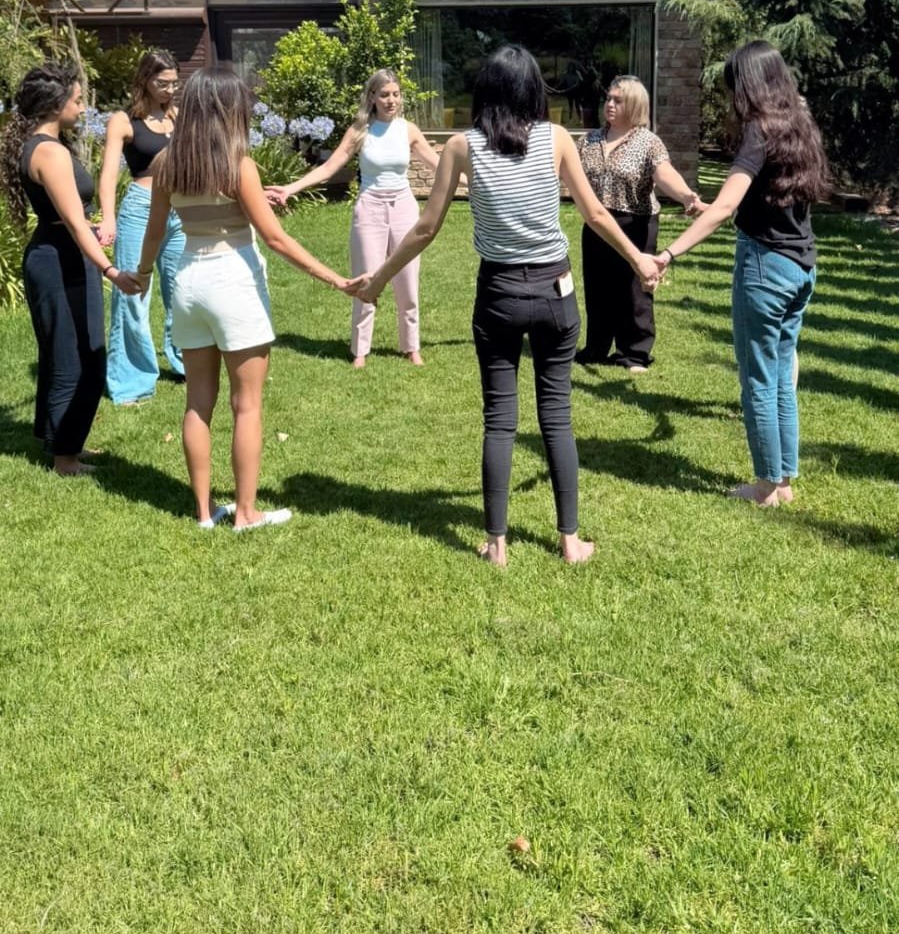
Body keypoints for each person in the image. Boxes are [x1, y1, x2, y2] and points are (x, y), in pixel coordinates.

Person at [357, 46, 660, 566]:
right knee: (556, 418)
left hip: (498, 295)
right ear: (533, 90)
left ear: (486, 91)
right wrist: (639, 259)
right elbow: (593, 212)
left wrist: (378, 280)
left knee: (499, 420)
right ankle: (570, 542)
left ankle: (496, 544)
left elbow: (426, 228)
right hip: (555, 292)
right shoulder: (556, 138)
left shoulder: (461, 146)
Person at [137, 68, 362, 530]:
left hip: (188, 282)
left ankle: (204, 513)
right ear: (227, 109)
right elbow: (275, 239)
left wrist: (140, 275)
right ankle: (245, 512)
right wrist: (336, 280)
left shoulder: (166, 163)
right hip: (233, 283)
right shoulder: (238, 164)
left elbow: (155, 232)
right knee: (247, 405)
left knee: (198, 403)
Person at [651, 41, 829, 507]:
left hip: (765, 268)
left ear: (749, 84)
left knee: (759, 379)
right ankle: (783, 480)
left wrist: (668, 253)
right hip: (801, 267)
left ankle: (765, 486)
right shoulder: (800, 122)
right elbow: (766, 197)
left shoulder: (758, 129)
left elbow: (727, 205)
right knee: (781, 376)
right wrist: (718, 208)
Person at [0, 63, 143, 476]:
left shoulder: (41, 144)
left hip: (59, 253)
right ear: (54, 104)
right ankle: (66, 459)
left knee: (65, 354)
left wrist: (92, 236)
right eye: (77, 101)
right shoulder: (49, 152)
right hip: (60, 261)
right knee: (80, 359)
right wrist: (112, 271)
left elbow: (69, 220)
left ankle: (61, 441)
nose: (82, 108)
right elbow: (76, 223)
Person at [266, 69, 442, 368]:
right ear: (372, 97)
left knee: (408, 280)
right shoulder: (361, 130)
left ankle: (411, 347)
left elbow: (439, 164)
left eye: (396, 94)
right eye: (384, 95)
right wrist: (290, 188)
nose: (391, 100)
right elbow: (328, 168)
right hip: (369, 209)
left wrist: (474, 181)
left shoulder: (408, 130)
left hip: (404, 208)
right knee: (365, 278)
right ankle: (360, 350)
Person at [576, 75, 703, 371]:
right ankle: (596, 347)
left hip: (636, 221)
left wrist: (686, 196)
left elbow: (664, 174)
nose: (610, 104)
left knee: (635, 288)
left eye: (618, 100)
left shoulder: (648, 142)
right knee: (597, 286)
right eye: (608, 98)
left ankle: (635, 352)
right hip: (597, 222)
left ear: (635, 105)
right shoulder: (588, 141)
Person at [97, 51, 185, 403]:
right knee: (134, 292)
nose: (170, 90)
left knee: (182, 289)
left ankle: (185, 363)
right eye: (162, 83)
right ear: (145, 80)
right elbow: (108, 175)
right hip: (141, 209)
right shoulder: (123, 121)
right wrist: (108, 217)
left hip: (179, 209)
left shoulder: (177, 115)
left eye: (174, 83)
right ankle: (131, 381)